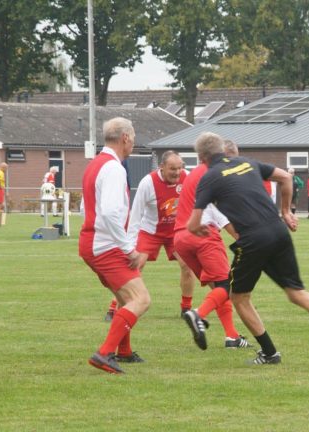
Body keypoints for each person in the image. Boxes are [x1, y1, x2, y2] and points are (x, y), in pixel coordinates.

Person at [185, 132, 309, 365]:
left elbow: (193, 223)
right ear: (223, 150)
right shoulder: (247, 162)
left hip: (252, 240)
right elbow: (285, 177)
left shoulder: (210, 177)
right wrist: (286, 212)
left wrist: (198, 228)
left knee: (239, 297)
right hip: (278, 231)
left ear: (201, 158)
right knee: (296, 291)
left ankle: (269, 353)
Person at [80, 117, 151, 374]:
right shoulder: (114, 168)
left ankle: (124, 351)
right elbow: (110, 214)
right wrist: (128, 249)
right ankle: (105, 353)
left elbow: (85, 206)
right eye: (133, 138)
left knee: (124, 297)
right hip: (106, 244)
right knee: (141, 299)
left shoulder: (95, 165)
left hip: (93, 241)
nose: (133, 142)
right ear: (125, 138)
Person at [175, 155, 251, 349]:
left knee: (219, 288)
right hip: (203, 234)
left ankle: (231, 337)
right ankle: (198, 314)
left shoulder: (193, 174)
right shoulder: (216, 174)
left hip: (181, 237)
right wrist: (240, 235)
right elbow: (220, 211)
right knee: (228, 285)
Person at [118, 150, 193, 321]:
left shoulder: (187, 178)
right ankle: (117, 306)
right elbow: (135, 215)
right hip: (150, 231)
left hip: (176, 231)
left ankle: (186, 308)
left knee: (187, 266)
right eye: (172, 169)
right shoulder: (148, 183)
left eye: (179, 168)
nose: (177, 172)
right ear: (162, 167)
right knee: (134, 266)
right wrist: (129, 245)